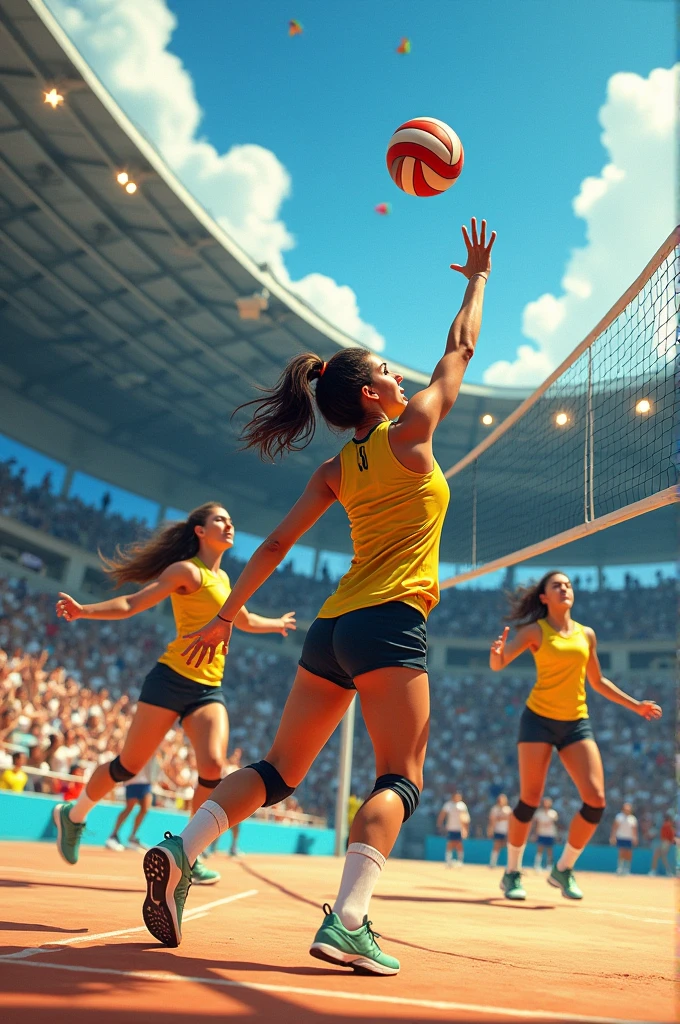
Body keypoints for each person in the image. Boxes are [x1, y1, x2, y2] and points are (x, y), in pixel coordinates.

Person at [140, 218, 496, 973]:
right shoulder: (415, 431)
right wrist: (477, 280)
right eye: (391, 376)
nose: (405, 379)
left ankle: (181, 847)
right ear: (373, 394)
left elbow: (272, 545)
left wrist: (228, 615)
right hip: (390, 622)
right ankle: (350, 920)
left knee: (276, 771)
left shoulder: (338, 466)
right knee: (400, 777)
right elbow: (459, 350)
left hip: (330, 628)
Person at [52, 503, 295, 886]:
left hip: (207, 689)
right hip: (169, 680)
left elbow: (242, 618)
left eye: (231, 519)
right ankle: (74, 814)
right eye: (220, 519)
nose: (229, 524)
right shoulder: (186, 571)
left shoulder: (226, 579)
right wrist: (85, 611)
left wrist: (276, 624)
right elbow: (133, 603)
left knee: (214, 766)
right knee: (128, 767)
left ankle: (189, 851)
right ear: (199, 530)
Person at [489, 571, 662, 902]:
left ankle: (563, 868)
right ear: (544, 597)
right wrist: (497, 654)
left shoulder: (586, 634)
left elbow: (597, 681)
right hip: (538, 719)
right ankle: (512, 873)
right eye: (557, 585)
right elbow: (500, 663)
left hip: (575, 722)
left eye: (567, 585)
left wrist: (635, 705)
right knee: (530, 799)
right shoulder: (533, 631)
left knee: (596, 799)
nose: (564, 589)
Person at [105, 760, 155, 852]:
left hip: (146, 782)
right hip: (133, 780)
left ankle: (132, 837)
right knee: (129, 808)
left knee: (145, 809)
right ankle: (113, 835)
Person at [438, 791, 469, 868]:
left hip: (459, 828)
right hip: (451, 827)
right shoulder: (448, 805)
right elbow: (442, 815)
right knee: (450, 844)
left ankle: (460, 861)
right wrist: (440, 823)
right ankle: (448, 861)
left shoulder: (462, 806)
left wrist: (465, 829)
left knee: (459, 844)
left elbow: (466, 818)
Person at [531, 797, 558, 873]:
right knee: (540, 849)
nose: (546, 804)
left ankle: (549, 866)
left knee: (550, 850)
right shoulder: (538, 813)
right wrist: (535, 834)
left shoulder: (553, 813)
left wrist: (556, 834)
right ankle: (537, 865)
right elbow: (535, 824)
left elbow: (556, 824)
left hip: (550, 834)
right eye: (545, 802)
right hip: (541, 833)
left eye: (548, 802)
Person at [610, 801, 638, 876]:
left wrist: (635, 838)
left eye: (628, 809)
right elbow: (615, 827)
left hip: (629, 838)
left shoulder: (633, 819)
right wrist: (613, 836)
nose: (627, 810)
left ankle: (627, 869)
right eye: (626, 809)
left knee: (628, 853)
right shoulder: (619, 817)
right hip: (621, 837)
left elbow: (634, 829)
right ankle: (620, 868)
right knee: (621, 851)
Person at [487, 793, 511, 868]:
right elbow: (491, 820)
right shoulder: (495, 809)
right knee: (496, 846)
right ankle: (493, 863)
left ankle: (510, 864)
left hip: (506, 831)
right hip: (498, 830)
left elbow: (511, 821)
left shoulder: (508, 810)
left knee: (508, 847)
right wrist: (490, 829)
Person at [649, 813, 675, 877]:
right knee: (660, 856)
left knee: (659, 855)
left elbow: (666, 837)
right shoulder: (669, 826)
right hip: (665, 842)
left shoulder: (666, 826)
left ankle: (655, 871)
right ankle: (666, 871)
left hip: (665, 842)